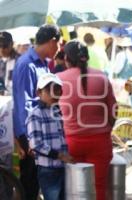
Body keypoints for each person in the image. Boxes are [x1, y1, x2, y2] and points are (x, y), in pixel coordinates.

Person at [57, 40, 116, 200]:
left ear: (66, 58)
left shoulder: (58, 79)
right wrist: (106, 129)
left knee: (73, 190)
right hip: (100, 142)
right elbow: (113, 111)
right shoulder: (102, 77)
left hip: (70, 142)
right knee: (99, 187)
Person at [13, 24, 61, 200]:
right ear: (52, 41)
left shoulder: (44, 64)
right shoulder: (26, 64)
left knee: (40, 184)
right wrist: (30, 140)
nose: (59, 49)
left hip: (43, 133)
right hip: (31, 135)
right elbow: (24, 104)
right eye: (59, 44)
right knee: (30, 186)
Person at [26, 73, 73, 200]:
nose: (54, 93)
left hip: (63, 167)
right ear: (39, 93)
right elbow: (36, 144)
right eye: (49, 90)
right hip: (48, 169)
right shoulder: (35, 114)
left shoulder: (58, 111)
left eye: (57, 89)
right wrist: (61, 156)